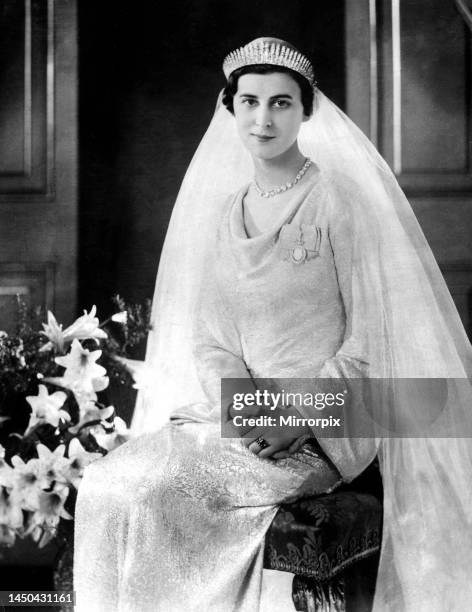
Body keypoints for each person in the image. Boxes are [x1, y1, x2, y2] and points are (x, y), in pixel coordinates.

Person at [74, 38, 472, 612]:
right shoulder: (225, 212)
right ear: (230, 107)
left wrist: (292, 419)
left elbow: (369, 346)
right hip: (241, 420)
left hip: (324, 428)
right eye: (250, 101)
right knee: (109, 486)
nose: (264, 119)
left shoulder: (338, 201)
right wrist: (250, 414)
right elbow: (212, 341)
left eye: (281, 103)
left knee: (167, 493)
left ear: (306, 110)